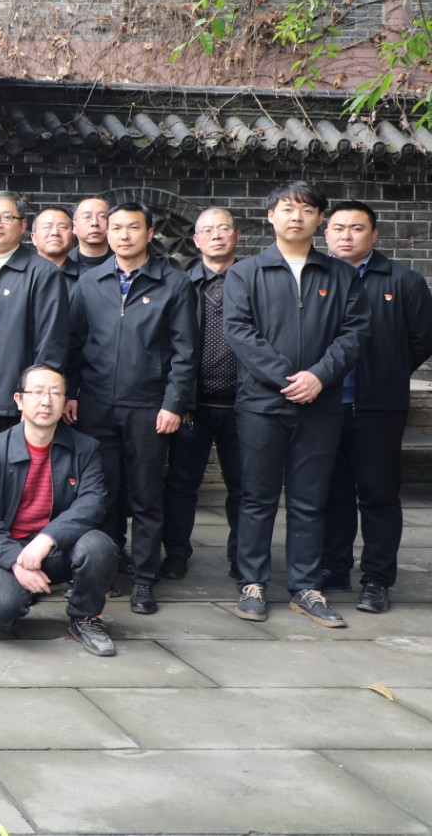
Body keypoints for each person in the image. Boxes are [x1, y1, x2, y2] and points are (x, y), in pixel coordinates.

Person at [222, 181, 368, 628]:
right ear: (271, 216)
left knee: (310, 499)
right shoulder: (245, 273)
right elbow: (239, 331)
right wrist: (288, 377)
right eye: (287, 208)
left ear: (319, 219)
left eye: (306, 210)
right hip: (261, 404)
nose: (296, 217)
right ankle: (252, 583)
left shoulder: (341, 275)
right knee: (257, 497)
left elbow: (354, 333)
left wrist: (318, 376)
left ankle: (306, 587)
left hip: (320, 404)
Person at [67, 202, 196, 615]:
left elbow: (184, 353)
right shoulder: (90, 282)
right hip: (96, 405)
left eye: (133, 228)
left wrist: (173, 403)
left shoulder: (173, 284)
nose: (123, 235)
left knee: (146, 495)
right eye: (116, 227)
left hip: (148, 406)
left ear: (149, 233)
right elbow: (74, 343)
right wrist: (72, 392)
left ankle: (143, 578)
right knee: (101, 493)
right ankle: (104, 572)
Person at [320, 201, 432, 613]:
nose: (346, 235)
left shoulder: (403, 280)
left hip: (378, 407)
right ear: (326, 234)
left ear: (374, 234)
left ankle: (376, 580)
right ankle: (334, 569)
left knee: (378, 495)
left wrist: (388, 371)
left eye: (356, 228)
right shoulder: (316, 277)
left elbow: (423, 339)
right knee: (331, 492)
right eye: (338, 228)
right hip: (324, 404)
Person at [0, 364, 119, 656]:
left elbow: (92, 502)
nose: (46, 401)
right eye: (37, 392)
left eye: (55, 393)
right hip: (10, 549)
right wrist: (16, 562)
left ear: (65, 402)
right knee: (0, 610)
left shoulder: (85, 448)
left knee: (100, 546)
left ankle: (85, 617)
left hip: (60, 546)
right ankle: (22, 587)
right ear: (19, 400)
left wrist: (47, 538)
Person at [161, 207, 244, 581]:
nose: (216, 236)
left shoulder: (252, 282)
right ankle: (176, 552)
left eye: (223, 229)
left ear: (236, 236)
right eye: (207, 231)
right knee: (181, 483)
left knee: (244, 487)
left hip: (243, 405)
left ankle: (243, 557)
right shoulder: (180, 285)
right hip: (192, 405)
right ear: (195, 241)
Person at [0, 192, 68, 456]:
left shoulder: (43, 273)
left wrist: (35, 399)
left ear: (22, 225)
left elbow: (50, 344)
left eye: (6, 217)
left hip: (15, 404)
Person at [31, 206, 78, 286]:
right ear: (34, 238)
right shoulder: (18, 276)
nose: (55, 233)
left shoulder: (88, 278)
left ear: (72, 236)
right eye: (47, 227)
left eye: (62, 227)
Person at [72, 196, 113, 272]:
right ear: (74, 226)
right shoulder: (60, 267)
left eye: (102, 216)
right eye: (87, 217)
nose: (95, 223)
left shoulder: (126, 264)